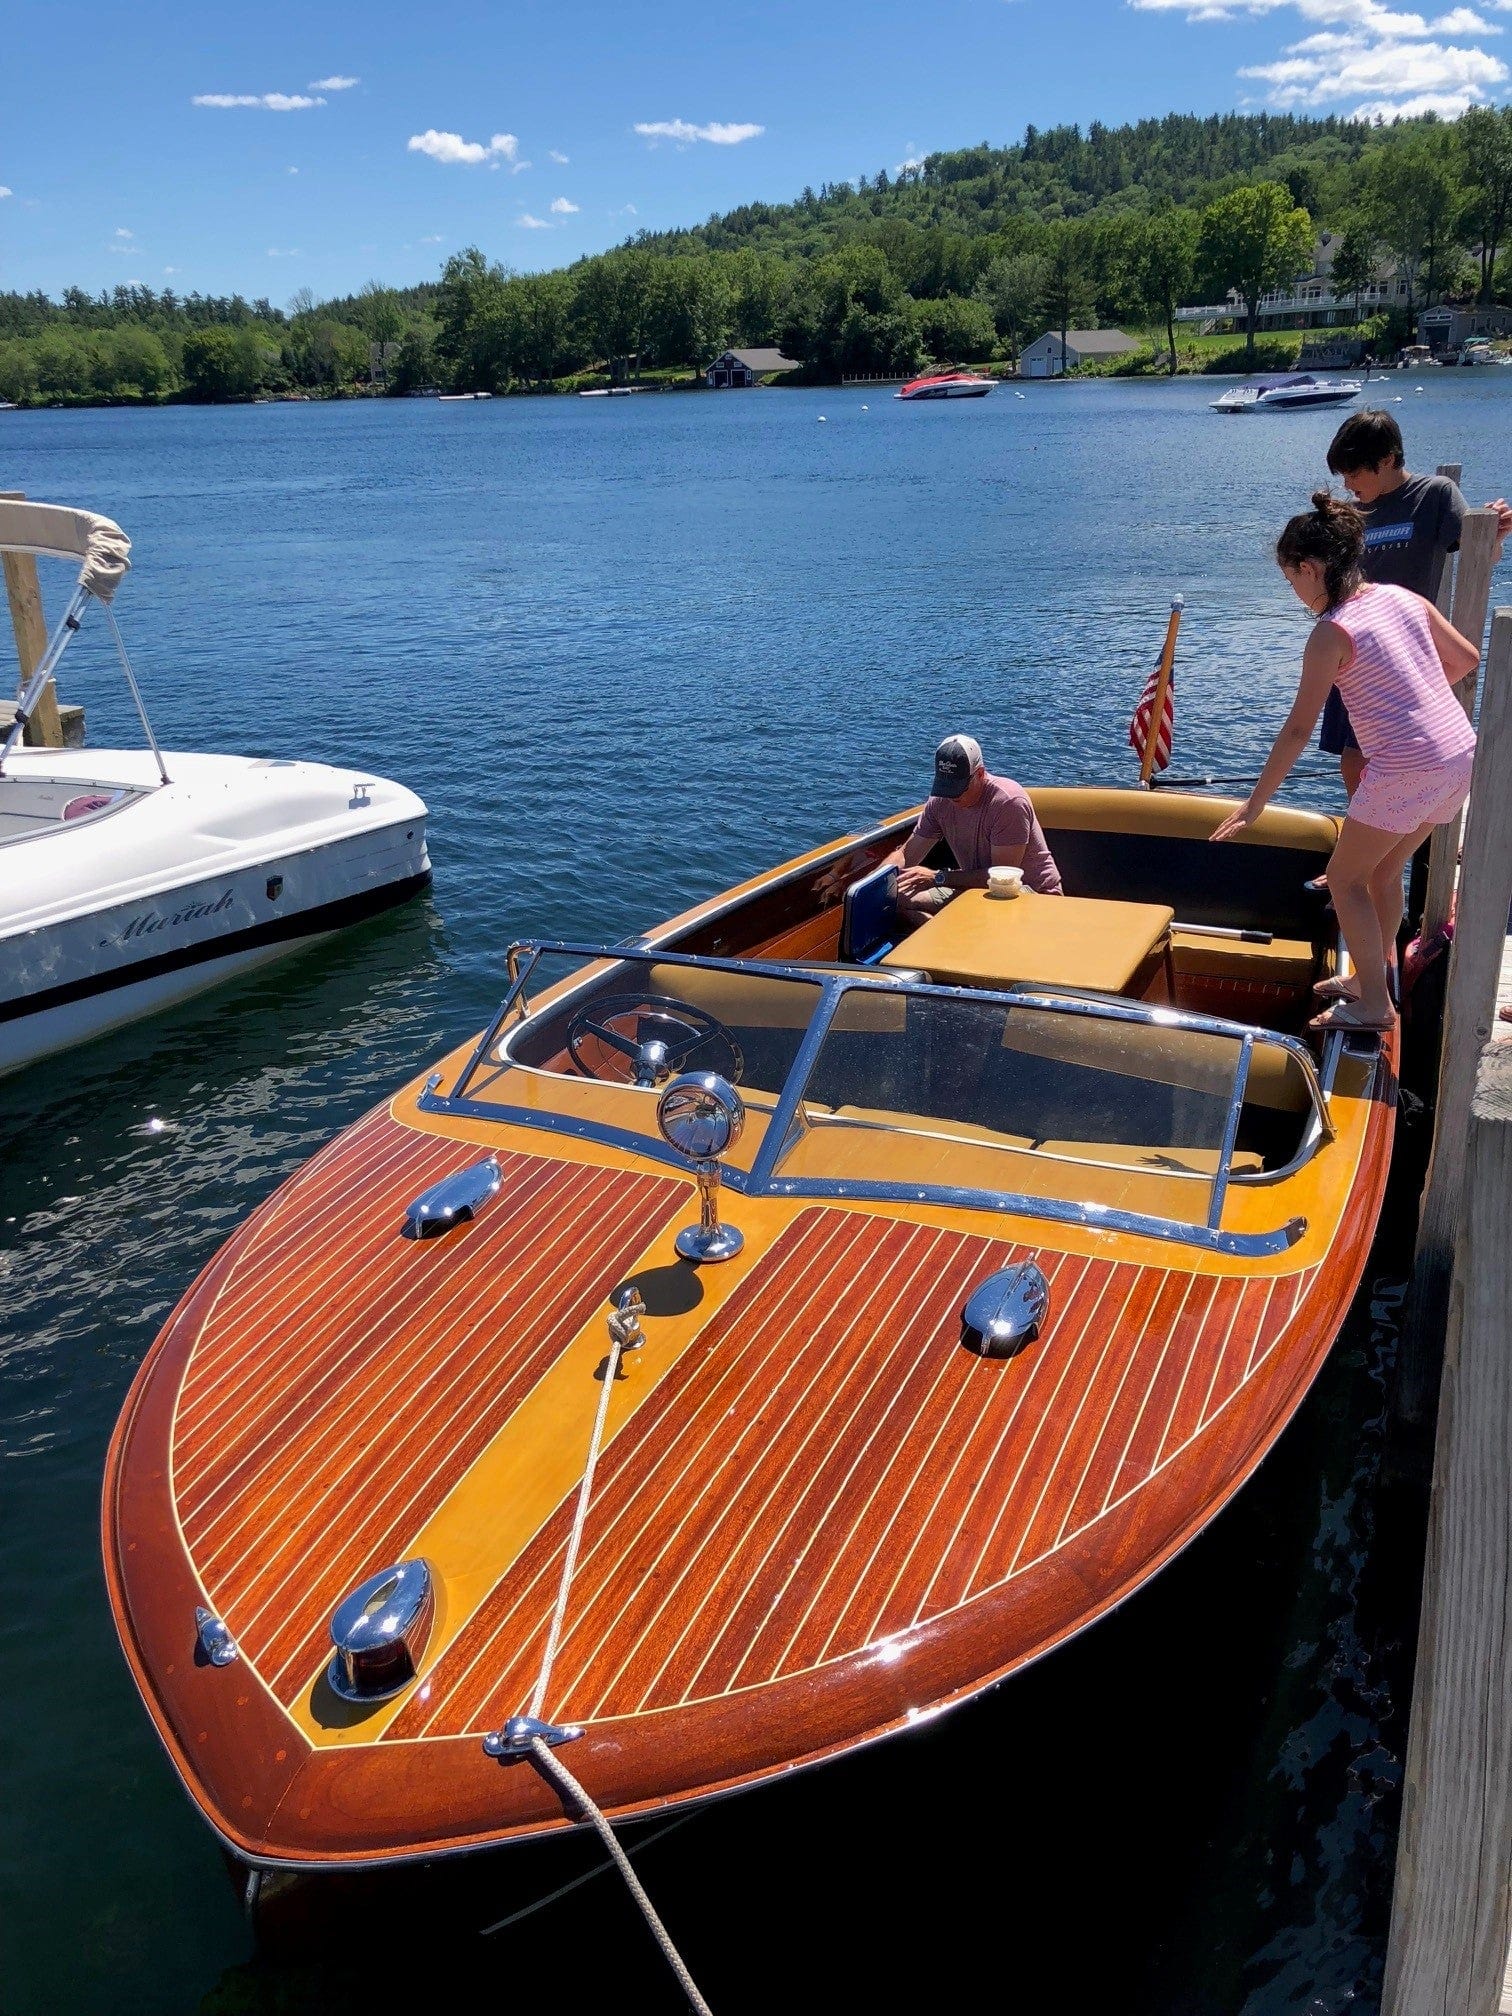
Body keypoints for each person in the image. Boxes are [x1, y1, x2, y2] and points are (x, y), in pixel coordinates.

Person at [1211, 492, 1480, 1033]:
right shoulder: (1401, 597)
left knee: (1343, 878)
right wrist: (1412, 703)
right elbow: (1466, 658)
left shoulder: (1331, 633)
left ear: (1311, 569)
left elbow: (1296, 730)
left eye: (1292, 582)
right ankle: (1366, 980)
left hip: (1406, 766)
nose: (1296, 595)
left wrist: (1254, 804)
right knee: (1381, 872)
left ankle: (1374, 1007)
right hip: (1458, 756)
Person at [1319, 410, 1509, 797]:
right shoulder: (1353, 513)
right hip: (1356, 650)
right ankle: (1367, 838)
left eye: (1354, 472)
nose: (1348, 483)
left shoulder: (1434, 494)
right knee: (1353, 759)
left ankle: (1388, 839)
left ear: (1387, 460)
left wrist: (1496, 535)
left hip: (1405, 651)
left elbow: (1476, 556)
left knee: (1399, 757)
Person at [882, 734, 1062, 928]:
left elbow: (1001, 879)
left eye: (959, 787)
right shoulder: (940, 802)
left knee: (991, 921)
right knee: (895, 900)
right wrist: (873, 882)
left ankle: (947, 937)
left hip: (1027, 894)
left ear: (980, 774)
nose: (952, 796)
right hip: (972, 889)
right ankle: (941, 935)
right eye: (946, 787)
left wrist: (937, 878)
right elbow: (907, 854)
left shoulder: (1008, 802)